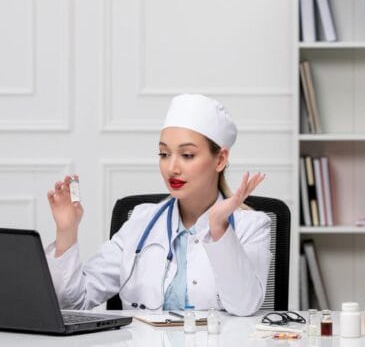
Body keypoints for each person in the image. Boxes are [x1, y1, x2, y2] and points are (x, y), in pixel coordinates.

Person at [45, 94, 271, 316]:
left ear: (220, 160)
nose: (172, 167)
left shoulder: (252, 226)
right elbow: (74, 304)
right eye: (163, 154)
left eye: (188, 155)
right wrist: (67, 231)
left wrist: (219, 228)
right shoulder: (140, 221)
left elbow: (245, 307)